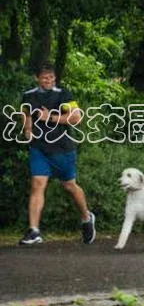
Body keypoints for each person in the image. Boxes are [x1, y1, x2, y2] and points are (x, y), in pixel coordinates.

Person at [18, 63, 96, 245]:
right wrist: (27, 131)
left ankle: (86, 217)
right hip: (39, 148)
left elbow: (77, 117)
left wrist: (51, 118)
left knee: (69, 186)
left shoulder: (63, 94)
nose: (49, 80)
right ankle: (34, 231)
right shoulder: (28, 96)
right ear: (37, 78)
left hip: (62, 148)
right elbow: (25, 115)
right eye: (45, 77)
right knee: (37, 184)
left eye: (52, 77)